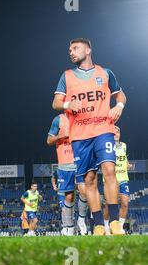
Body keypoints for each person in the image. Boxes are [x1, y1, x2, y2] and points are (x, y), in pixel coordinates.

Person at [52, 38, 126, 235]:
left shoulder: (106, 73)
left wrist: (118, 107)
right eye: (69, 49)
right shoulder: (66, 76)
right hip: (80, 135)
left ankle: (116, 222)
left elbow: (121, 95)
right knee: (90, 179)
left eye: (75, 48)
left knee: (109, 169)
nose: (71, 52)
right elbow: (56, 102)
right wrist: (68, 105)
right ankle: (100, 225)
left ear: (88, 50)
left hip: (103, 128)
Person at [103, 126, 133, 234]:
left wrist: (127, 164)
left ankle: (119, 227)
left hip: (123, 178)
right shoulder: (107, 146)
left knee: (125, 203)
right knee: (108, 204)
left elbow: (124, 157)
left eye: (118, 133)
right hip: (111, 179)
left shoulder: (124, 145)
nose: (116, 134)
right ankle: (106, 227)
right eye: (114, 133)